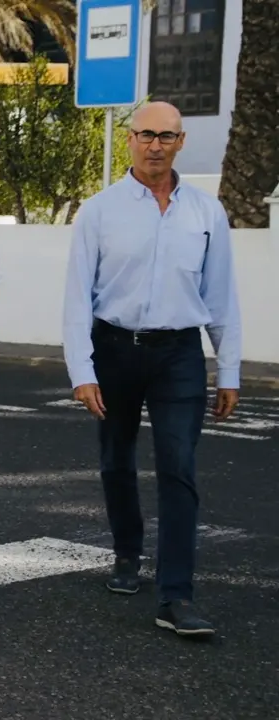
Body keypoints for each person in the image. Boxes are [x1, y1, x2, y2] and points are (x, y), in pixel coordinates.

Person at [62, 101, 241, 638]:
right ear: (130, 139)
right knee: (116, 460)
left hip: (179, 354)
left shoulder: (207, 213)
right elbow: (77, 298)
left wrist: (227, 370)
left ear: (181, 142)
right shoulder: (100, 210)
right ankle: (126, 553)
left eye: (167, 136)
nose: (155, 144)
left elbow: (222, 296)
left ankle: (176, 595)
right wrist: (81, 370)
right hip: (113, 348)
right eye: (146, 135)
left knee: (178, 467)